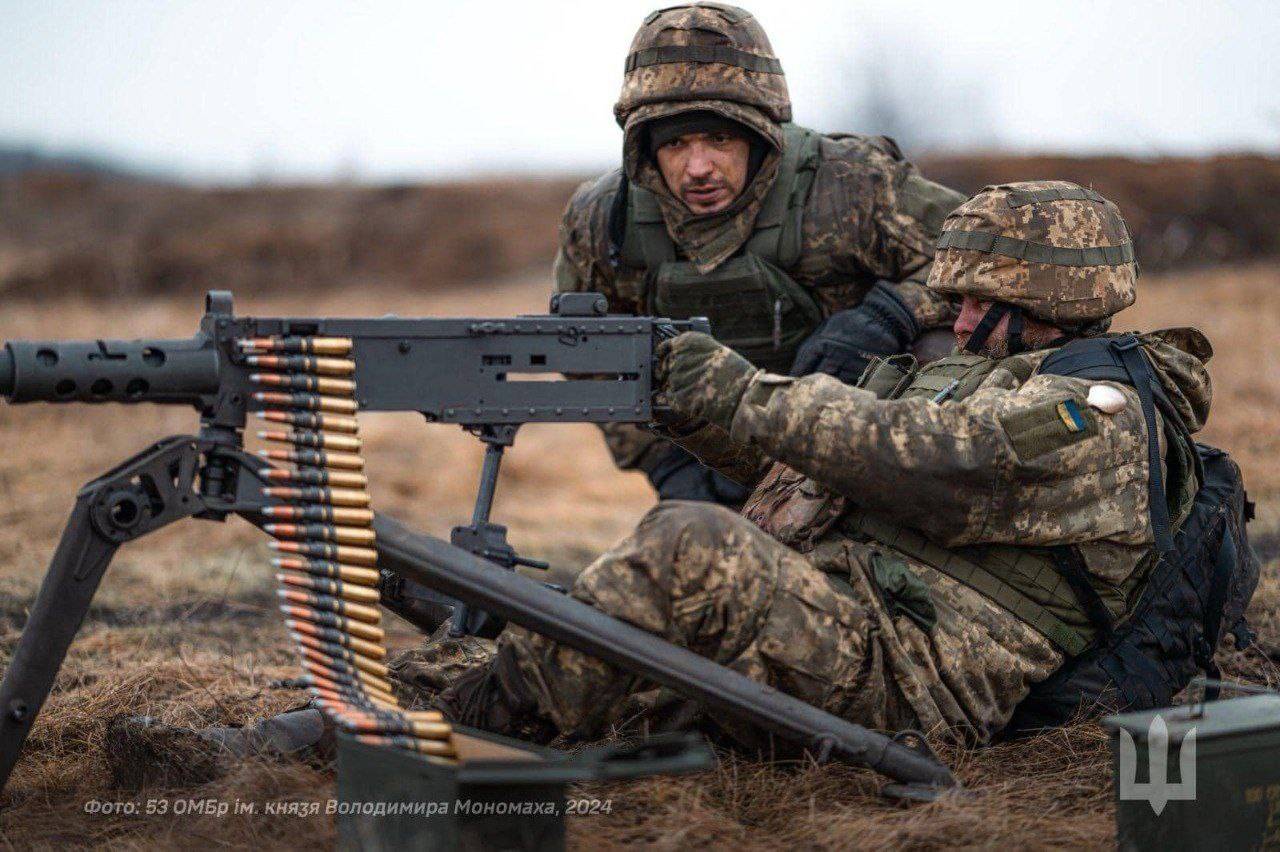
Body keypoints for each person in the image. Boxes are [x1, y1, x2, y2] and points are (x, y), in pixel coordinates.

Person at [425, 180, 1217, 745]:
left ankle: (456, 740)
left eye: (979, 304)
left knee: (689, 549)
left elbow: (929, 461)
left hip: (912, 679)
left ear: (1053, 304)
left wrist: (738, 387)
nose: (959, 322)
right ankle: (420, 714)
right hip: (845, 620)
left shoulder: (1100, 417)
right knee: (560, 640)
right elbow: (814, 463)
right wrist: (685, 401)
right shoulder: (987, 374)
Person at [556, 2, 965, 506]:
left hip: (860, 440)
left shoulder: (854, 185)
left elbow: (984, 270)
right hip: (704, 454)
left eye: (719, 138)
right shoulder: (603, 220)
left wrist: (887, 317)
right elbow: (587, 354)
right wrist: (665, 462)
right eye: (675, 143)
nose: (698, 166)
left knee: (944, 347)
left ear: (760, 134)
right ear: (645, 147)